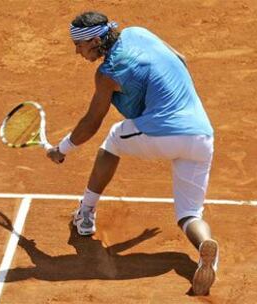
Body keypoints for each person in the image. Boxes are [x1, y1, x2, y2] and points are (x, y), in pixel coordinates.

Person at [46, 11, 219, 296]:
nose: (76, 51)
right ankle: (205, 249)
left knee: (112, 141)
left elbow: (91, 122)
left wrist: (61, 149)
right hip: (202, 135)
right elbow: (182, 60)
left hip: (165, 131)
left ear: (97, 41)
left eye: (80, 44)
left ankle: (86, 213)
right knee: (189, 214)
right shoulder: (138, 32)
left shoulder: (107, 73)